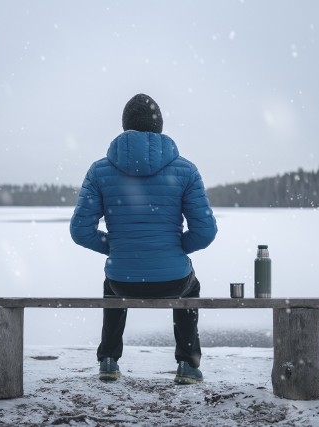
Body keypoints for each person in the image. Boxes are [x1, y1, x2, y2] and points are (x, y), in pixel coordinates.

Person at [70, 93, 217, 384]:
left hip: (122, 279)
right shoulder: (185, 170)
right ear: (159, 126)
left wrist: (116, 247)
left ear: (125, 127)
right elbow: (206, 231)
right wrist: (176, 247)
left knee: (111, 287)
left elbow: (80, 231)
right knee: (190, 287)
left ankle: (109, 360)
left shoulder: (100, 170)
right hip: (173, 280)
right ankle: (188, 364)